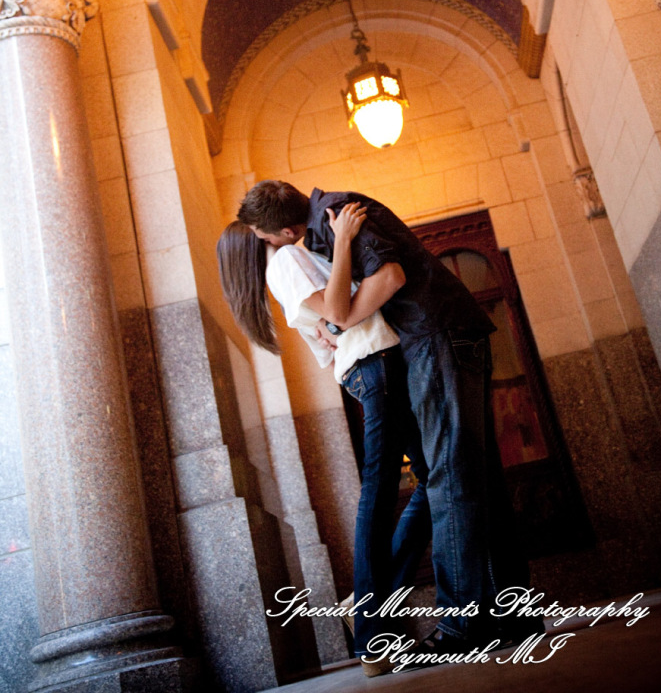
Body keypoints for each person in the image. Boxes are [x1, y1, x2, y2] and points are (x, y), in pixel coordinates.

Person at [237, 181, 537, 656]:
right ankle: (513, 615)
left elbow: (389, 277)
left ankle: (462, 626)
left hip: (435, 337)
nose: (267, 244)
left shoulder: (336, 215)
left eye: (264, 235)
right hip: (441, 336)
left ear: (287, 227)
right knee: (475, 476)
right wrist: (336, 320)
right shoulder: (322, 229)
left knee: (448, 476)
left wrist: (339, 319)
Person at [216, 204, 431, 676]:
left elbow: (332, 321)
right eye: (265, 232)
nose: (283, 232)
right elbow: (340, 312)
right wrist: (345, 243)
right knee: (388, 490)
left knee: (425, 482)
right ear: (259, 240)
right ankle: (373, 631)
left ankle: (370, 608)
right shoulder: (286, 262)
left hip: (368, 366)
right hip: (374, 365)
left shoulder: (284, 268)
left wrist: (338, 318)